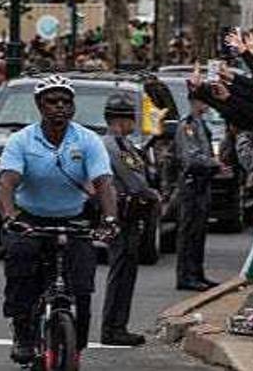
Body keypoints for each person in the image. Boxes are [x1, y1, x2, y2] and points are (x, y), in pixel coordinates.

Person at [0, 74, 119, 364]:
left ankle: (76, 341)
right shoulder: (21, 140)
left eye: (66, 101)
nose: (59, 107)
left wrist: (110, 219)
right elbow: (7, 184)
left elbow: (103, 184)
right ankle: (24, 332)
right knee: (21, 264)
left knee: (82, 284)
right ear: (40, 105)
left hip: (74, 219)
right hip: (31, 219)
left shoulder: (88, 140)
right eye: (52, 101)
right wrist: (10, 216)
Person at [99, 93, 160, 347]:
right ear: (122, 120)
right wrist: (153, 194)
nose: (135, 123)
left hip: (129, 215)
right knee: (122, 272)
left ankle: (116, 325)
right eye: (132, 118)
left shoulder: (122, 144)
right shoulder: (115, 146)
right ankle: (114, 328)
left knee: (125, 271)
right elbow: (135, 181)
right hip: (124, 215)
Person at [175, 91, 220, 291]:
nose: (208, 104)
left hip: (203, 183)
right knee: (190, 231)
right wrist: (213, 163)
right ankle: (186, 276)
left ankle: (197, 272)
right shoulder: (188, 125)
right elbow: (191, 157)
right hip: (192, 183)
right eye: (205, 99)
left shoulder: (201, 123)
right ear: (195, 101)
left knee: (199, 231)